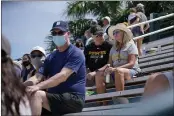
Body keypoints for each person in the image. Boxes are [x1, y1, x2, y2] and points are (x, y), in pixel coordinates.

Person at [24, 20, 86, 116]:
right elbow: (37, 77)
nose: (57, 35)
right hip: (54, 98)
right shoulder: (51, 57)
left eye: (60, 32)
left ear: (68, 34)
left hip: (73, 99)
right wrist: (18, 87)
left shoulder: (76, 53)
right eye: (54, 33)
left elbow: (63, 76)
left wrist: (37, 86)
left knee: (36, 94)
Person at [105, 23, 141, 103]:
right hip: (116, 71)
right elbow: (109, 63)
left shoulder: (131, 45)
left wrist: (115, 69)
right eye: (114, 33)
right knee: (99, 75)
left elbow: (131, 63)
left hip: (131, 70)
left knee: (119, 71)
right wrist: (107, 69)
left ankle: (120, 98)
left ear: (123, 33)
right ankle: (103, 103)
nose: (115, 34)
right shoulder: (113, 48)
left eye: (117, 32)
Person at [1, 35, 32, 115]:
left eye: (26, 58)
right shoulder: (23, 71)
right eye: (23, 59)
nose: (25, 60)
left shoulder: (31, 70)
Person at [84, 25, 112, 104]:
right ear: (92, 36)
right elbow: (85, 63)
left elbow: (109, 63)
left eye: (101, 34)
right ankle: (93, 101)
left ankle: (103, 104)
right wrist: (88, 71)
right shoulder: (88, 48)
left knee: (98, 76)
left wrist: (95, 72)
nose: (100, 37)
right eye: (97, 35)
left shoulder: (109, 46)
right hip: (91, 73)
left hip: (105, 72)